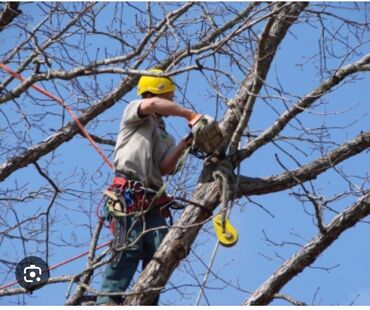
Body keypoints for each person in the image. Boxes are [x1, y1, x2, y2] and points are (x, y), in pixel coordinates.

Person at [96, 69, 202, 305]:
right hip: (127, 194)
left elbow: (164, 167)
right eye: (170, 97)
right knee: (129, 247)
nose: (171, 102)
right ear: (158, 92)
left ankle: (147, 301)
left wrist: (185, 144)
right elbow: (151, 104)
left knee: (161, 251)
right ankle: (108, 300)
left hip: (152, 200)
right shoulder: (136, 112)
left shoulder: (164, 134)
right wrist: (190, 114)